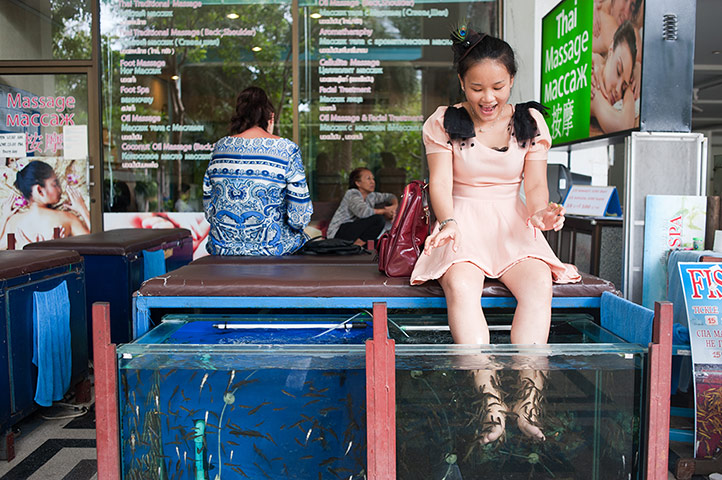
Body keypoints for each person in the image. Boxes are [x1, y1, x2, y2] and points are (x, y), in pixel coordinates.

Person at [410, 28, 581, 444]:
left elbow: (536, 187)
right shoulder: (443, 122)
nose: (488, 99)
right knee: (462, 287)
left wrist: (542, 214)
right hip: (462, 221)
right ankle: (490, 402)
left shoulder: (531, 122)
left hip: (512, 223)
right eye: (477, 88)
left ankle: (528, 399)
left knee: (539, 285)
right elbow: (440, 185)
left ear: (511, 81)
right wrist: (446, 222)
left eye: (498, 87)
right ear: (461, 84)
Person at [203, 86, 313, 255]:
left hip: (222, 249)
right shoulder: (286, 149)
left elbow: (209, 210)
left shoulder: (219, 148)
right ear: (271, 117)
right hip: (272, 249)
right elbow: (299, 218)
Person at [1, 160, 90, 249]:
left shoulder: (13, 222)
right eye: (55, 184)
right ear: (39, 190)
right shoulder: (67, 218)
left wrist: (4, 217)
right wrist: (83, 209)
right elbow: (93, 245)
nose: (60, 189)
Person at [326, 167, 398, 246]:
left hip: (356, 235)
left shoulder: (371, 196)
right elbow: (364, 212)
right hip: (338, 234)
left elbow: (390, 197)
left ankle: (357, 245)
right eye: (368, 179)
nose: (372, 182)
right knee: (378, 220)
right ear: (358, 183)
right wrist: (385, 211)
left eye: (373, 179)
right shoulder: (352, 194)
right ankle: (357, 246)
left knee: (383, 243)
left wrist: (394, 205)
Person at [590, 21, 638, 134]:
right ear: (611, 48)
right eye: (618, 71)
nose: (617, 90)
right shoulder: (593, 85)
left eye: (623, 87)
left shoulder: (600, 65)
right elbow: (624, 126)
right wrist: (629, 91)